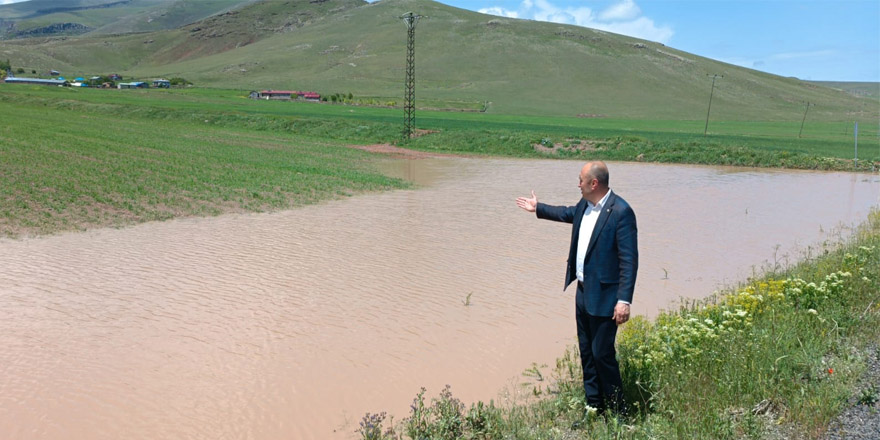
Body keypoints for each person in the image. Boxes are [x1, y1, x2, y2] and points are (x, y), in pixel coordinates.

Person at [515, 161, 638, 415]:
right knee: (586, 353)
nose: (577, 183)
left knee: (602, 354)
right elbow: (567, 213)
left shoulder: (621, 212)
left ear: (594, 183)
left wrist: (624, 300)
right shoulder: (585, 205)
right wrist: (538, 208)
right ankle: (594, 407)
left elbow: (629, 260)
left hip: (606, 297)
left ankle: (618, 412)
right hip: (583, 292)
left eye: (581, 179)